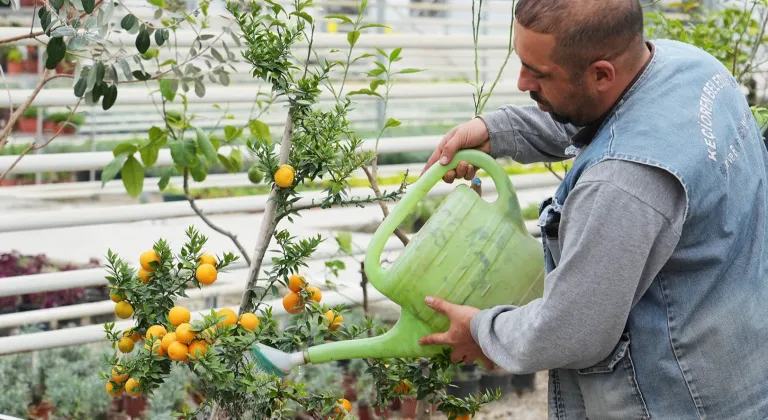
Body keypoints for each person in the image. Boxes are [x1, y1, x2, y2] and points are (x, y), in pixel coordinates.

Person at [417, 0, 768, 419]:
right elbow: (603, 114)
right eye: (522, 62)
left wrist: (480, 329)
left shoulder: (622, 184)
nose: (521, 81)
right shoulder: (694, 69)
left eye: (539, 73)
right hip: (741, 365)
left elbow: (570, 330)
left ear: (602, 73)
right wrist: (497, 131)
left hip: (676, 401)